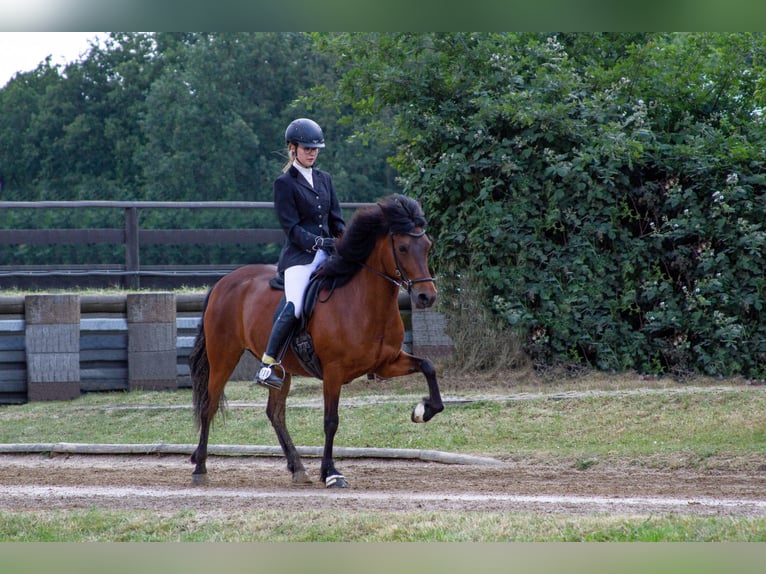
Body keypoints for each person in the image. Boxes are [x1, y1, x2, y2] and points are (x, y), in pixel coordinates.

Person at [255, 118, 345, 389]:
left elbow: (336, 219)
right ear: (292, 148)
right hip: (300, 257)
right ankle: (268, 364)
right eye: (307, 148)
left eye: (316, 148)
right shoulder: (284, 183)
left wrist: (344, 240)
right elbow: (291, 228)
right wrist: (320, 242)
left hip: (330, 252)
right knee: (294, 304)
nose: (312, 152)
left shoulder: (325, 179)